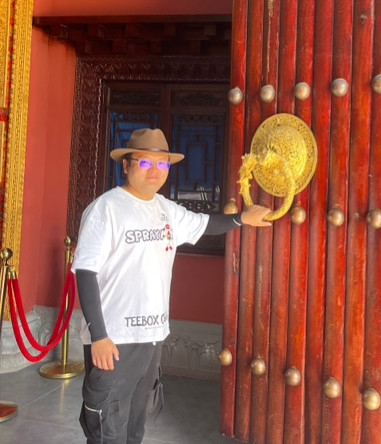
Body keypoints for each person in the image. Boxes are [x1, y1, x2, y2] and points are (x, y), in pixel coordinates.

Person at [72, 128, 271, 444]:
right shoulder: (106, 209)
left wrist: (242, 219)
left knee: (135, 427)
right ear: (126, 165)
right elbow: (85, 272)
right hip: (115, 340)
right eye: (145, 162)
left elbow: (205, 224)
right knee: (107, 427)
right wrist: (99, 336)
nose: (155, 171)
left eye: (162, 164)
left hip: (152, 337)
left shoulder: (165, 209)